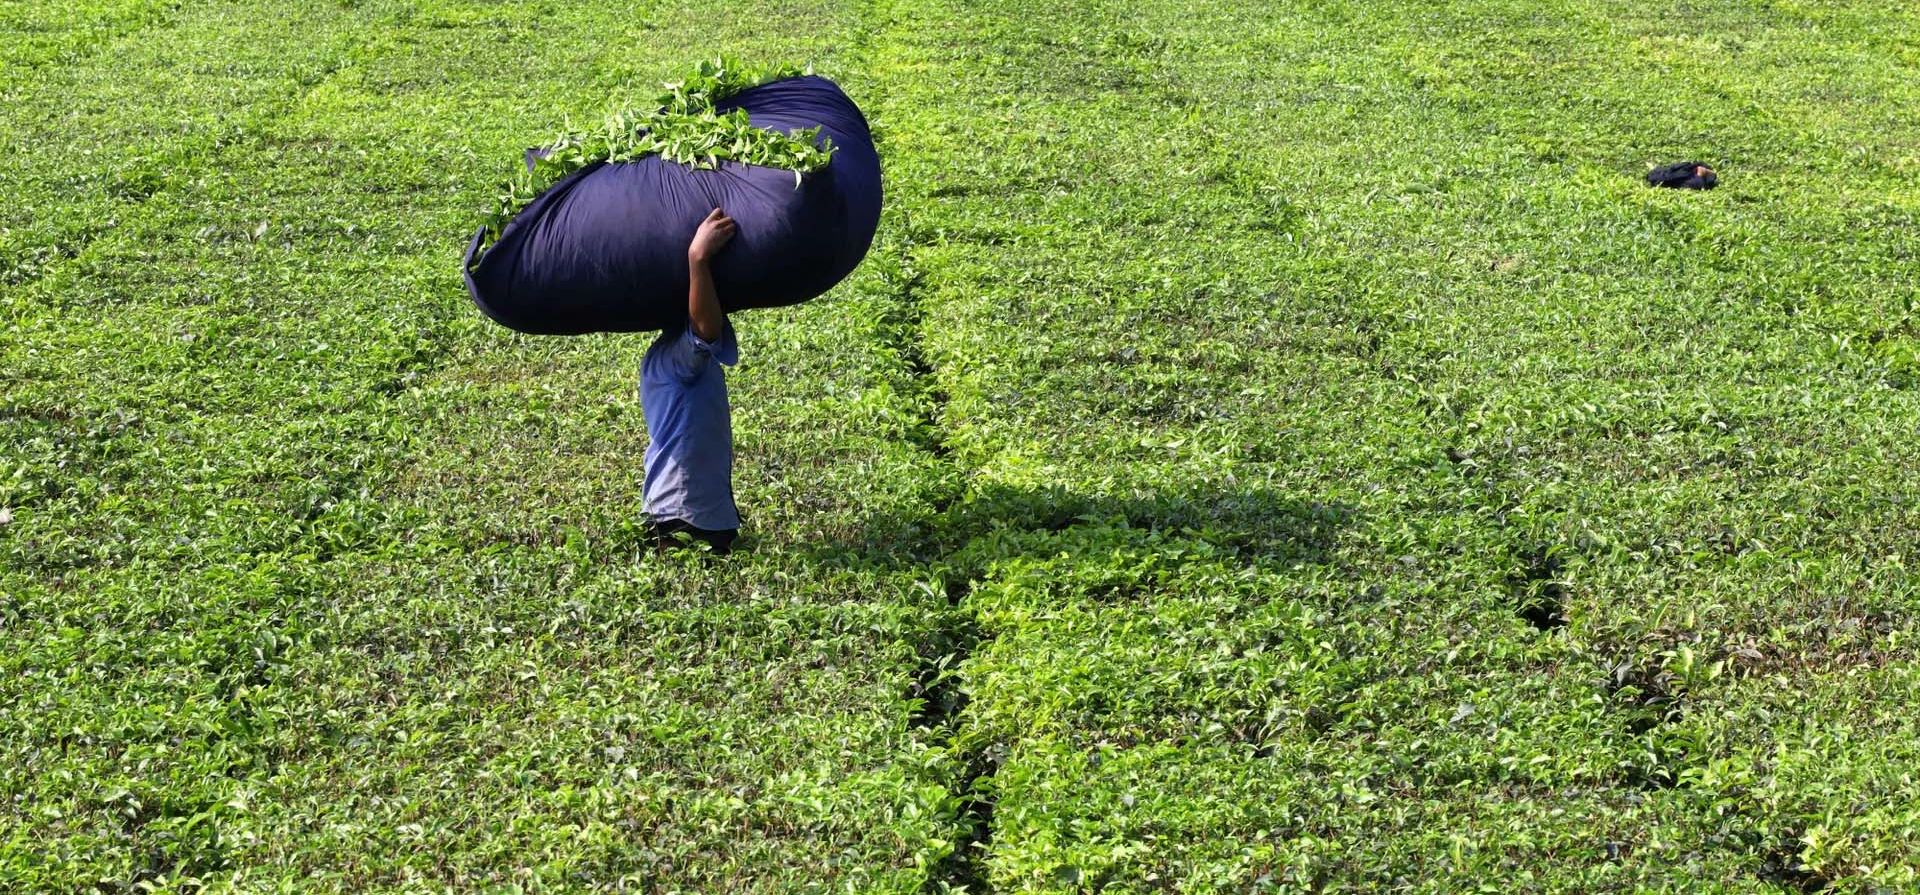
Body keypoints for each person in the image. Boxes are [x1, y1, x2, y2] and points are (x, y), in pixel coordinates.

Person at [640, 208, 742, 555]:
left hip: (702, 513)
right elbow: (705, 331)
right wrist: (698, 259)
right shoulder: (675, 357)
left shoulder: (667, 353)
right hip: (684, 517)